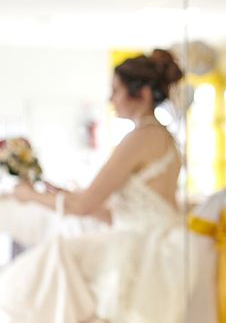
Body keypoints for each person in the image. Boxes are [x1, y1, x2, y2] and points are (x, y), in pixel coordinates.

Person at [0, 49, 190, 323]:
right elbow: (116, 212)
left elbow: (83, 206)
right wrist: (66, 195)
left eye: (116, 90)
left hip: (143, 253)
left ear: (143, 94)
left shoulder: (140, 138)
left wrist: (29, 195)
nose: (111, 99)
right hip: (160, 246)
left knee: (54, 261)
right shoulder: (163, 137)